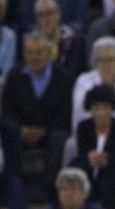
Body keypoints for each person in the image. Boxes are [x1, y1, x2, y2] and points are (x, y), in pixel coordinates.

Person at [1, 31, 73, 200]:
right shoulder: (15, 75)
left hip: (51, 130)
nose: (34, 57)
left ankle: (48, 191)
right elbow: (8, 110)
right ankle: (15, 189)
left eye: (39, 52)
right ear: (24, 54)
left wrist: (44, 130)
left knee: (60, 137)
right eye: (29, 52)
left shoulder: (63, 77)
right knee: (9, 132)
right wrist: (22, 129)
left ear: (49, 54)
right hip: (21, 131)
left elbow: (66, 112)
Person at [70, 83, 115, 209]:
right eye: (97, 108)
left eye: (105, 108)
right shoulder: (84, 127)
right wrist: (89, 158)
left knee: (109, 184)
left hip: (113, 174)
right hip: (89, 171)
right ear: (90, 109)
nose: (101, 113)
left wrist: (108, 160)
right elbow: (81, 153)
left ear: (112, 109)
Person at [71, 36, 115, 137]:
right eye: (102, 60)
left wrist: (108, 90)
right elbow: (80, 115)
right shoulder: (83, 81)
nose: (106, 65)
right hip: (90, 134)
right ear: (95, 62)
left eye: (110, 60)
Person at [29, 0, 88, 80]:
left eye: (49, 13)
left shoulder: (74, 42)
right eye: (40, 15)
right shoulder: (30, 44)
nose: (46, 19)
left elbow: (73, 74)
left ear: (58, 14)